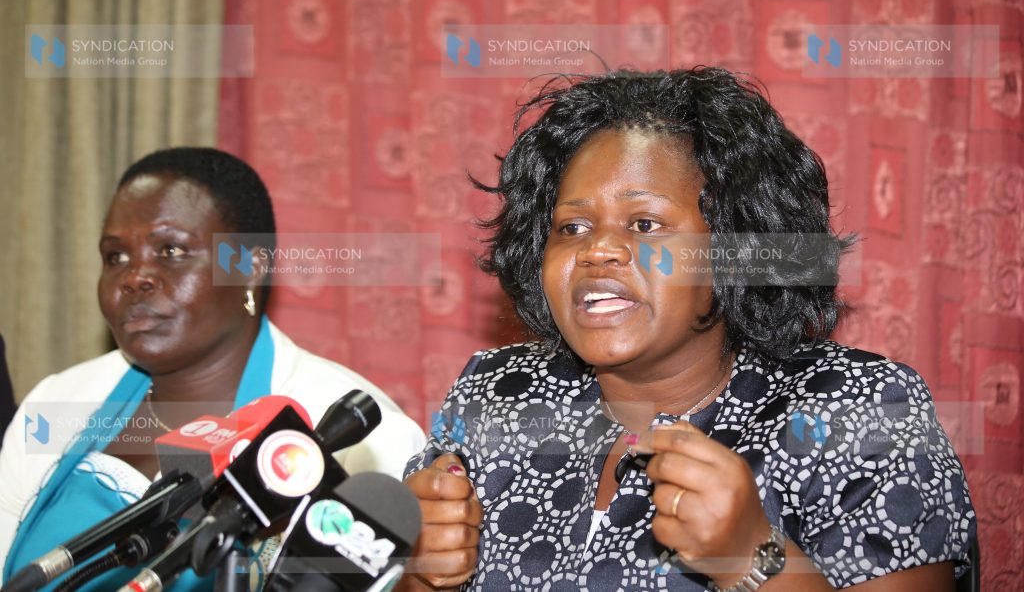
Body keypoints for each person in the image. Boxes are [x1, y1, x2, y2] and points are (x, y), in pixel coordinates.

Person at [401, 68, 976, 591]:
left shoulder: (860, 412)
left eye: (644, 223)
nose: (597, 249)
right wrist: (416, 575)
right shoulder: (496, 393)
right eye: (571, 227)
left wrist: (754, 556)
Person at [0, 147, 426, 591]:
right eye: (115, 257)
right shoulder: (58, 401)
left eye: (170, 250)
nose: (134, 276)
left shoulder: (359, 440)